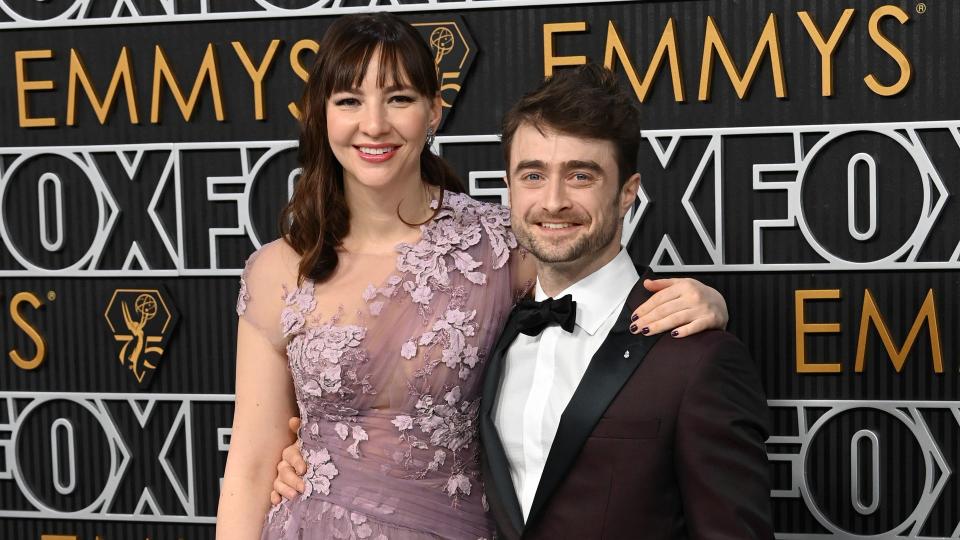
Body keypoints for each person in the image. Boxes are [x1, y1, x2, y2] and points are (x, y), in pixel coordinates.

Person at [216, 13, 730, 540]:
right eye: (349, 101)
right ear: (321, 116)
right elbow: (253, 464)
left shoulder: (499, 244)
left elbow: (597, 292)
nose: (374, 124)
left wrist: (705, 299)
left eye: (399, 98)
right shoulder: (277, 270)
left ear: (434, 112)